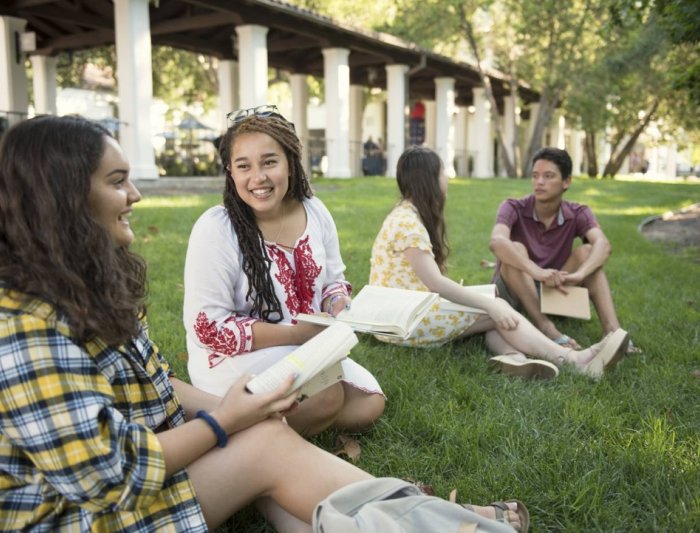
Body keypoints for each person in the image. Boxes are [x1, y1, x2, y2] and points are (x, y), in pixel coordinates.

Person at [0, 116, 528, 532]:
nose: (136, 195)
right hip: (77, 515)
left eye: (269, 162)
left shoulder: (81, 285)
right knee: (271, 443)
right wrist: (226, 420)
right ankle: (451, 522)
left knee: (299, 431)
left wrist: (250, 409)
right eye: (118, 182)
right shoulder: (24, 330)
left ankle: (414, 515)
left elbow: (159, 386)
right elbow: (108, 475)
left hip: (166, 445)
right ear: (62, 199)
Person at [184, 106, 385, 437]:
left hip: (307, 347)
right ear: (230, 172)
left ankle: (260, 420)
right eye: (243, 166)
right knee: (326, 398)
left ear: (290, 163)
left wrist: (339, 306)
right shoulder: (216, 228)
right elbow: (209, 329)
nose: (257, 178)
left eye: (269, 162)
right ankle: (242, 429)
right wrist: (295, 334)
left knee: (369, 403)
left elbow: (334, 281)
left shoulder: (315, 211)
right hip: (237, 356)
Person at [369, 146, 629, 379]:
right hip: (405, 322)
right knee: (495, 308)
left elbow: (602, 245)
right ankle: (574, 359)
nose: (446, 179)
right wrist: (491, 306)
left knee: (492, 309)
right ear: (429, 180)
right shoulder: (408, 224)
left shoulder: (404, 215)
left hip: (401, 315)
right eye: (443, 173)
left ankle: (512, 357)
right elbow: (436, 283)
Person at [489, 147, 639, 353]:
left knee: (588, 252)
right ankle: (546, 327)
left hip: (554, 291)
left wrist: (579, 275)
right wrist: (536, 271)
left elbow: (603, 245)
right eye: (535, 176)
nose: (539, 182)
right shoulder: (512, 206)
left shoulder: (578, 212)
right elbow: (497, 241)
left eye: (548, 176)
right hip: (513, 292)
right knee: (514, 248)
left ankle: (613, 331)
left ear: (566, 182)